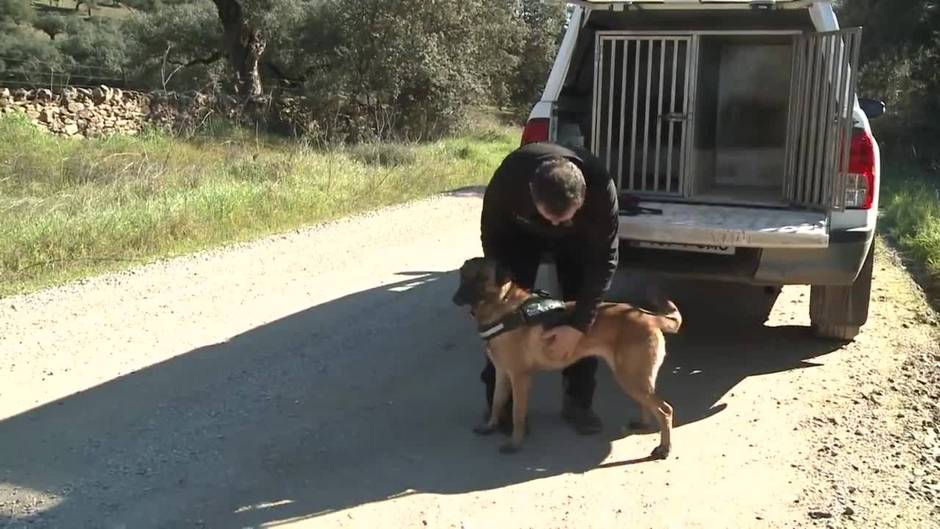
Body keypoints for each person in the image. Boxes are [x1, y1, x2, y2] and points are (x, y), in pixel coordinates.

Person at [479, 140, 619, 435]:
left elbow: (604, 262)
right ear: (532, 193)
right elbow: (492, 238)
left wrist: (579, 325)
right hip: (520, 236)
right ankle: (501, 405)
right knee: (505, 325)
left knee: (581, 311)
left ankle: (578, 401)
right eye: (550, 216)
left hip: (579, 241)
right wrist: (502, 287)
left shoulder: (599, 189)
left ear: (582, 200)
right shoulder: (510, 179)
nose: (555, 224)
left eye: (562, 217)